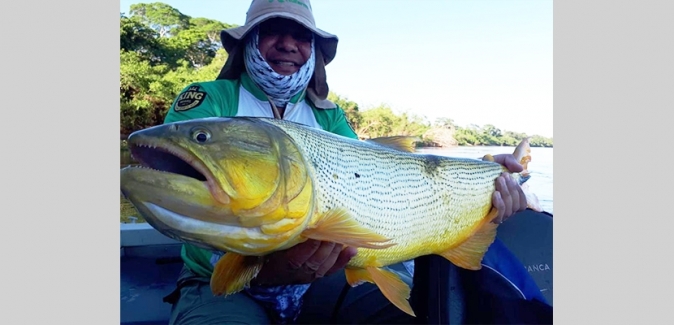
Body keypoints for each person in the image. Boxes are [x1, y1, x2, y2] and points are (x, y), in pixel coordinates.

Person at [161, 0, 532, 324]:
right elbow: (178, 182)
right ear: (248, 43)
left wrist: (487, 180)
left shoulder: (329, 116)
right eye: (272, 31)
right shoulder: (208, 100)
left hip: (322, 278)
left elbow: (376, 183)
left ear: (314, 51)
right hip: (219, 285)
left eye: (302, 37)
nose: (288, 44)